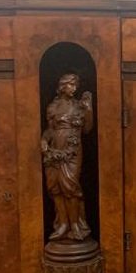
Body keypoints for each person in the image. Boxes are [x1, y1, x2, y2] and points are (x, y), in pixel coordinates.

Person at [41, 73, 94, 241]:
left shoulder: (79, 106)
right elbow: (50, 130)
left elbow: (87, 129)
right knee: (55, 188)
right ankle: (63, 225)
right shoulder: (52, 107)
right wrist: (43, 140)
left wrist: (89, 109)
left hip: (72, 151)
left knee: (70, 187)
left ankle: (76, 224)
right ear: (63, 86)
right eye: (71, 85)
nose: (74, 88)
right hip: (54, 152)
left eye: (75, 85)